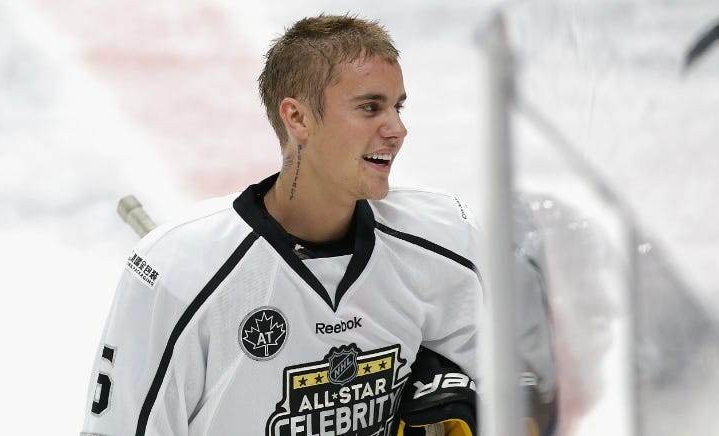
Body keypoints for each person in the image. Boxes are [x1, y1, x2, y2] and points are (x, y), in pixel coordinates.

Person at [80, 14, 482, 436]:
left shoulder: (442, 243)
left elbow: (530, 397)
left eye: (397, 107)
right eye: (369, 107)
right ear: (298, 118)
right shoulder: (182, 273)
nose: (397, 129)